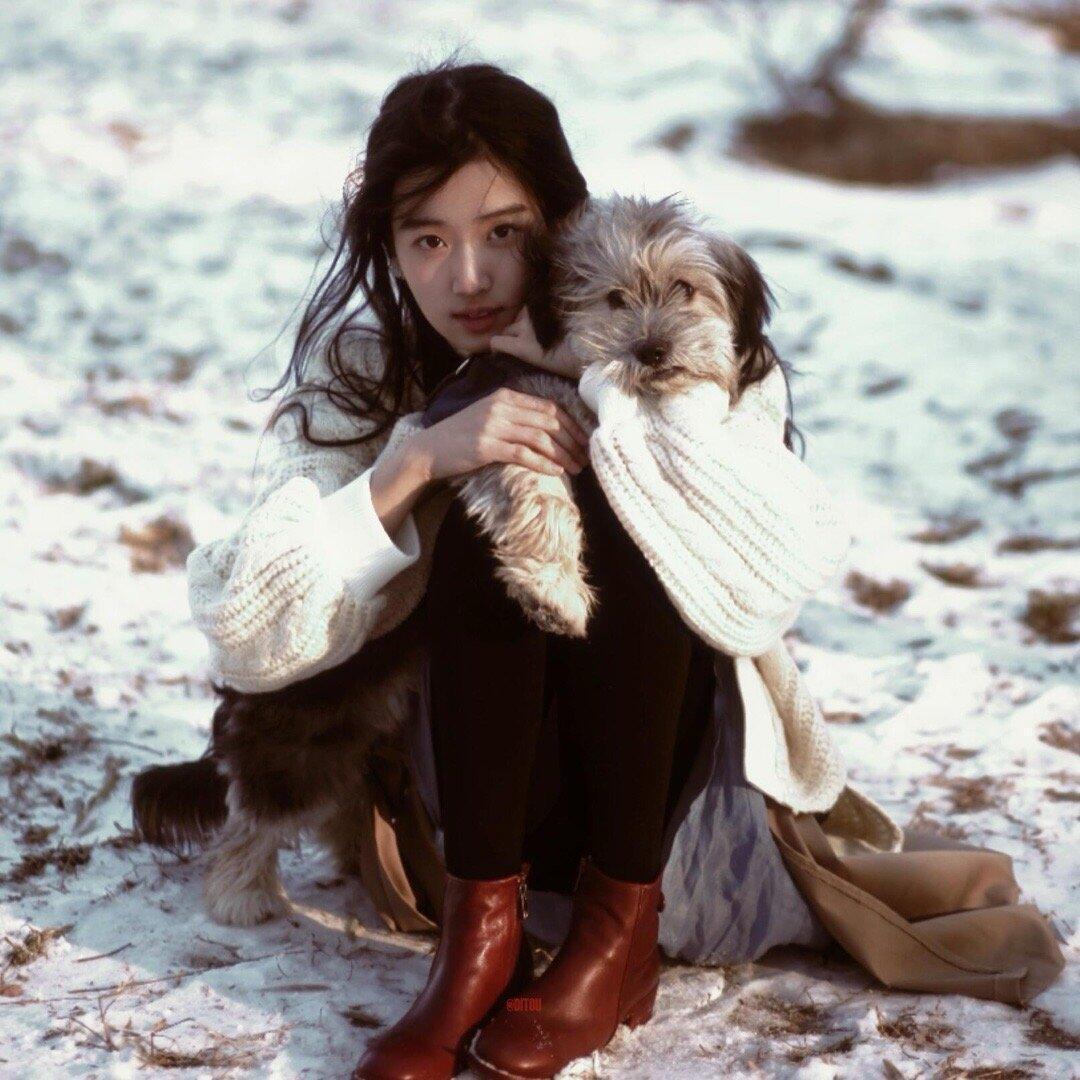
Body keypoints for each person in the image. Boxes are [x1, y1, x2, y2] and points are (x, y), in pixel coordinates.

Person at [185, 58, 1064, 1080]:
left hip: (667, 815)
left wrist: (605, 392)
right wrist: (412, 464)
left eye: (503, 233)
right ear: (389, 244)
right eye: (428, 240)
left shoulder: (697, 343)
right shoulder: (364, 371)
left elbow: (775, 578)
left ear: (561, 226)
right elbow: (244, 633)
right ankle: (480, 946)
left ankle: (618, 935)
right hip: (460, 813)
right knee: (491, 494)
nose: (469, 279)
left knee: (612, 488)